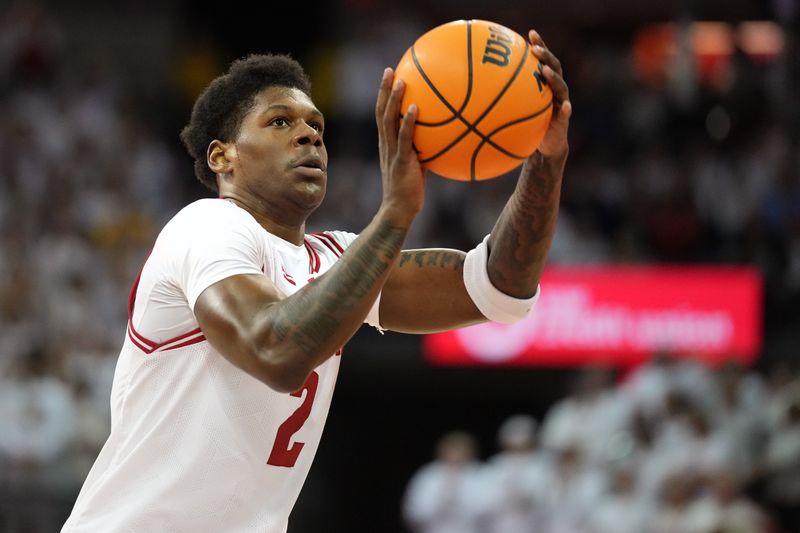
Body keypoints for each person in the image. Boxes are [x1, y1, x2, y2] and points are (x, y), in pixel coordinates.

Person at [62, 29, 571, 532]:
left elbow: (498, 287)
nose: (308, 136)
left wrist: (545, 161)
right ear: (223, 157)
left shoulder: (338, 259)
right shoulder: (206, 226)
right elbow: (274, 350)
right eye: (280, 122)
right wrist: (395, 214)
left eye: (317, 127)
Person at [402, 431, 484, 533]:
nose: (456, 454)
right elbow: (415, 511)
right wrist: (444, 497)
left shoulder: (480, 474)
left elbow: (490, 509)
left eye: (461, 450)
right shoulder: (428, 475)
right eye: (451, 450)